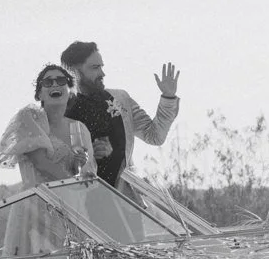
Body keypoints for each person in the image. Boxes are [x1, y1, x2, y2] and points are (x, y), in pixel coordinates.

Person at [0, 64, 97, 255]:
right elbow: (41, 162)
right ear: (39, 94)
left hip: (71, 209)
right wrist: (72, 182)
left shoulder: (80, 128)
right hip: (36, 207)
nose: (54, 84)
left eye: (61, 81)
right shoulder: (29, 117)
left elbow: (87, 175)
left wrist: (79, 164)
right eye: (48, 82)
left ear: (70, 90)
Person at [60, 41, 180, 189]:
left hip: (125, 201)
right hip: (81, 201)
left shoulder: (121, 99)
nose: (102, 73)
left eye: (101, 66)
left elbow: (154, 136)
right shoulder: (60, 111)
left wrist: (168, 97)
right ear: (74, 71)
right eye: (95, 67)